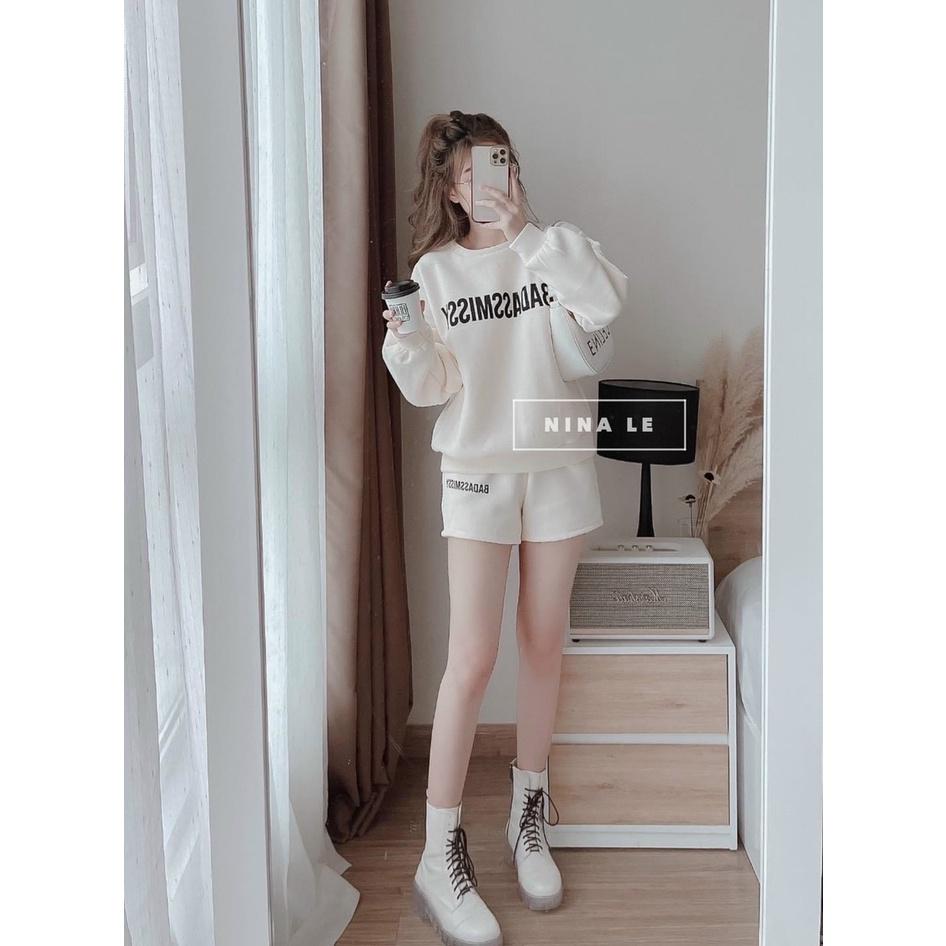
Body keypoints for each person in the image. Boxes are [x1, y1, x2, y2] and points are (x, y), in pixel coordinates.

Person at [381, 110, 629, 946]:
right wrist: (407, 339)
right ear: (453, 190)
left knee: (543, 642)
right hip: (478, 469)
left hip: (556, 462)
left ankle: (529, 817)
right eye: (477, 170)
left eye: (506, 162)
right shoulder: (437, 272)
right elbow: (431, 387)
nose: (497, 179)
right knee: (473, 659)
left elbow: (605, 303)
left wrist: (529, 236)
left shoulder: (554, 248)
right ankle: (437, 854)